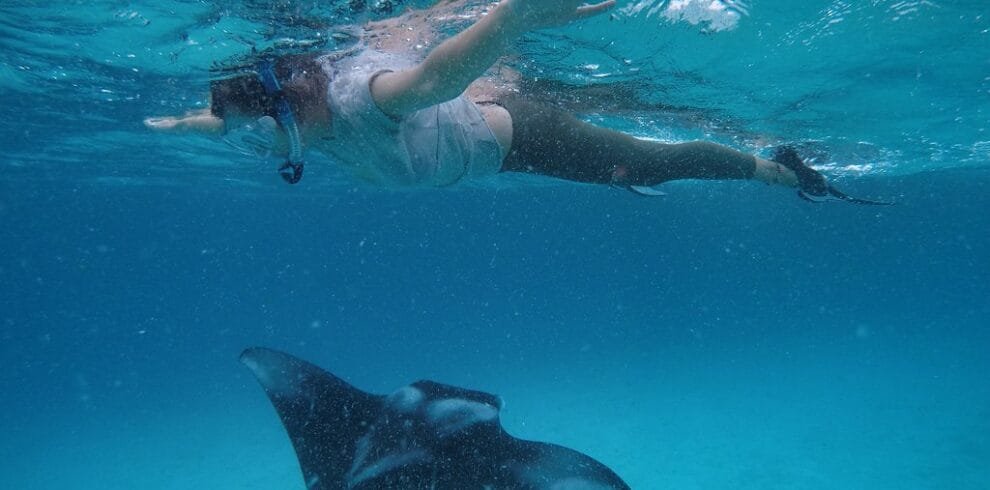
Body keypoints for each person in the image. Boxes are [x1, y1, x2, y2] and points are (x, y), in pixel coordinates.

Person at [145, 0, 886, 204]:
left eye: (263, 118)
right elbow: (228, 121)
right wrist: (190, 121)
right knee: (628, 174)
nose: (265, 135)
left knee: (648, 166)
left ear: (293, 96)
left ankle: (777, 170)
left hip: (524, 136)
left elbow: (435, 75)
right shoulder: (293, 127)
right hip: (494, 157)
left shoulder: (365, 97)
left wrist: (509, 19)